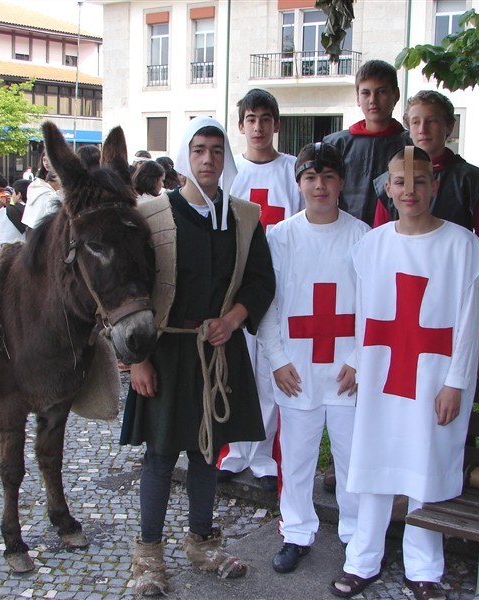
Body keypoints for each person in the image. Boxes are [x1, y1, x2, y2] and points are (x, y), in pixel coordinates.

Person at [120, 116, 275, 597]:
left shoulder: (244, 217)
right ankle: (147, 557)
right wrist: (136, 359)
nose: (208, 159)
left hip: (218, 352)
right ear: (187, 157)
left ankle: (202, 542)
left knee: (208, 453)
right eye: (199, 149)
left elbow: (260, 280)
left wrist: (233, 320)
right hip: (164, 352)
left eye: (215, 149)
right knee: (162, 456)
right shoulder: (152, 215)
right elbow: (130, 290)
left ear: (224, 156)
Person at [329, 147, 479, 600]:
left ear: (434, 186)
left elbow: (466, 320)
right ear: (388, 188)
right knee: (377, 463)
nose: (410, 190)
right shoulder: (373, 245)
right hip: (384, 375)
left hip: (434, 377)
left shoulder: (461, 246)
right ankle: (363, 559)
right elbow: (365, 315)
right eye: (401, 182)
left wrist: (456, 383)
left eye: (420, 181)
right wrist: (360, 362)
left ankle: (424, 568)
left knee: (425, 464)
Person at [257, 142, 367, 574]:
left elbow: (375, 305)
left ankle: (357, 536)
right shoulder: (281, 236)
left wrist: (359, 358)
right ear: (299, 183)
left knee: (351, 458)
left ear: (341, 182)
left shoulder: (362, 236)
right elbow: (269, 305)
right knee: (297, 459)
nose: (319, 186)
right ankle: (297, 532)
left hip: (345, 372)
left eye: (327, 177)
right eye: (310, 178)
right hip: (298, 368)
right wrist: (278, 359)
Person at [217, 87, 303, 492]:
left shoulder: (292, 172)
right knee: (238, 370)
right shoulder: (229, 175)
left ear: (276, 125)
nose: (258, 127)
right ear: (240, 126)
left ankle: (265, 455)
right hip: (238, 288)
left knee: (270, 373)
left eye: (265, 119)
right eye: (250, 119)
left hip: (281, 286)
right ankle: (235, 453)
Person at [373, 90, 479, 342]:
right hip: (402, 293)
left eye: (432, 120)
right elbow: (379, 245)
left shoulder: (470, 181)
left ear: (449, 126)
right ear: (407, 127)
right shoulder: (389, 183)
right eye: (415, 121)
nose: (423, 129)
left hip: (453, 291)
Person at [324, 59, 411, 227]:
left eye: (381, 92)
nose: (373, 100)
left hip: (396, 236)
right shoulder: (337, 144)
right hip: (347, 234)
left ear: (396, 95)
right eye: (366, 93)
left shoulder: (410, 146)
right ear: (357, 97)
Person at [0, 179, 29, 247]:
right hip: (27, 252)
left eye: (13, 193)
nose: (12, 196)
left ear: (19, 195)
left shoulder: (2, 213)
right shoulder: (36, 212)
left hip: (6, 252)